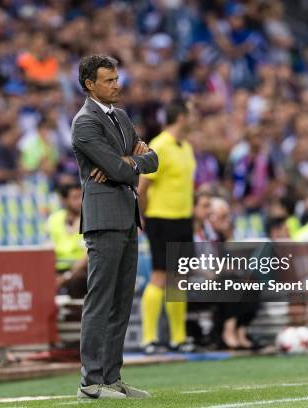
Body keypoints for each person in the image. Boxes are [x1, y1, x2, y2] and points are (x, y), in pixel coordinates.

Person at [72, 55, 158, 399]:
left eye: (117, 78)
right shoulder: (84, 123)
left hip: (126, 213)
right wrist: (127, 162)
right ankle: (90, 382)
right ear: (90, 84)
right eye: (108, 80)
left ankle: (111, 376)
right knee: (100, 299)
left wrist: (128, 161)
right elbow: (123, 169)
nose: (116, 85)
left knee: (122, 301)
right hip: (103, 217)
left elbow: (152, 159)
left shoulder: (120, 116)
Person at [138, 100, 196, 354]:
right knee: (160, 276)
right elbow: (144, 185)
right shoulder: (160, 145)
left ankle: (178, 338)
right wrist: (139, 215)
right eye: (191, 113)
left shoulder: (186, 147)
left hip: (184, 218)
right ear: (181, 117)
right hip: (161, 218)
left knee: (179, 279)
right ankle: (149, 339)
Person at [46, 182, 87, 298]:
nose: (80, 201)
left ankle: (77, 315)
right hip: (57, 268)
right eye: (75, 197)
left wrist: (66, 276)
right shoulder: (54, 219)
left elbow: (87, 255)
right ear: (64, 200)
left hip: (79, 269)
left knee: (78, 280)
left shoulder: (89, 220)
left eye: (81, 197)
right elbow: (47, 248)